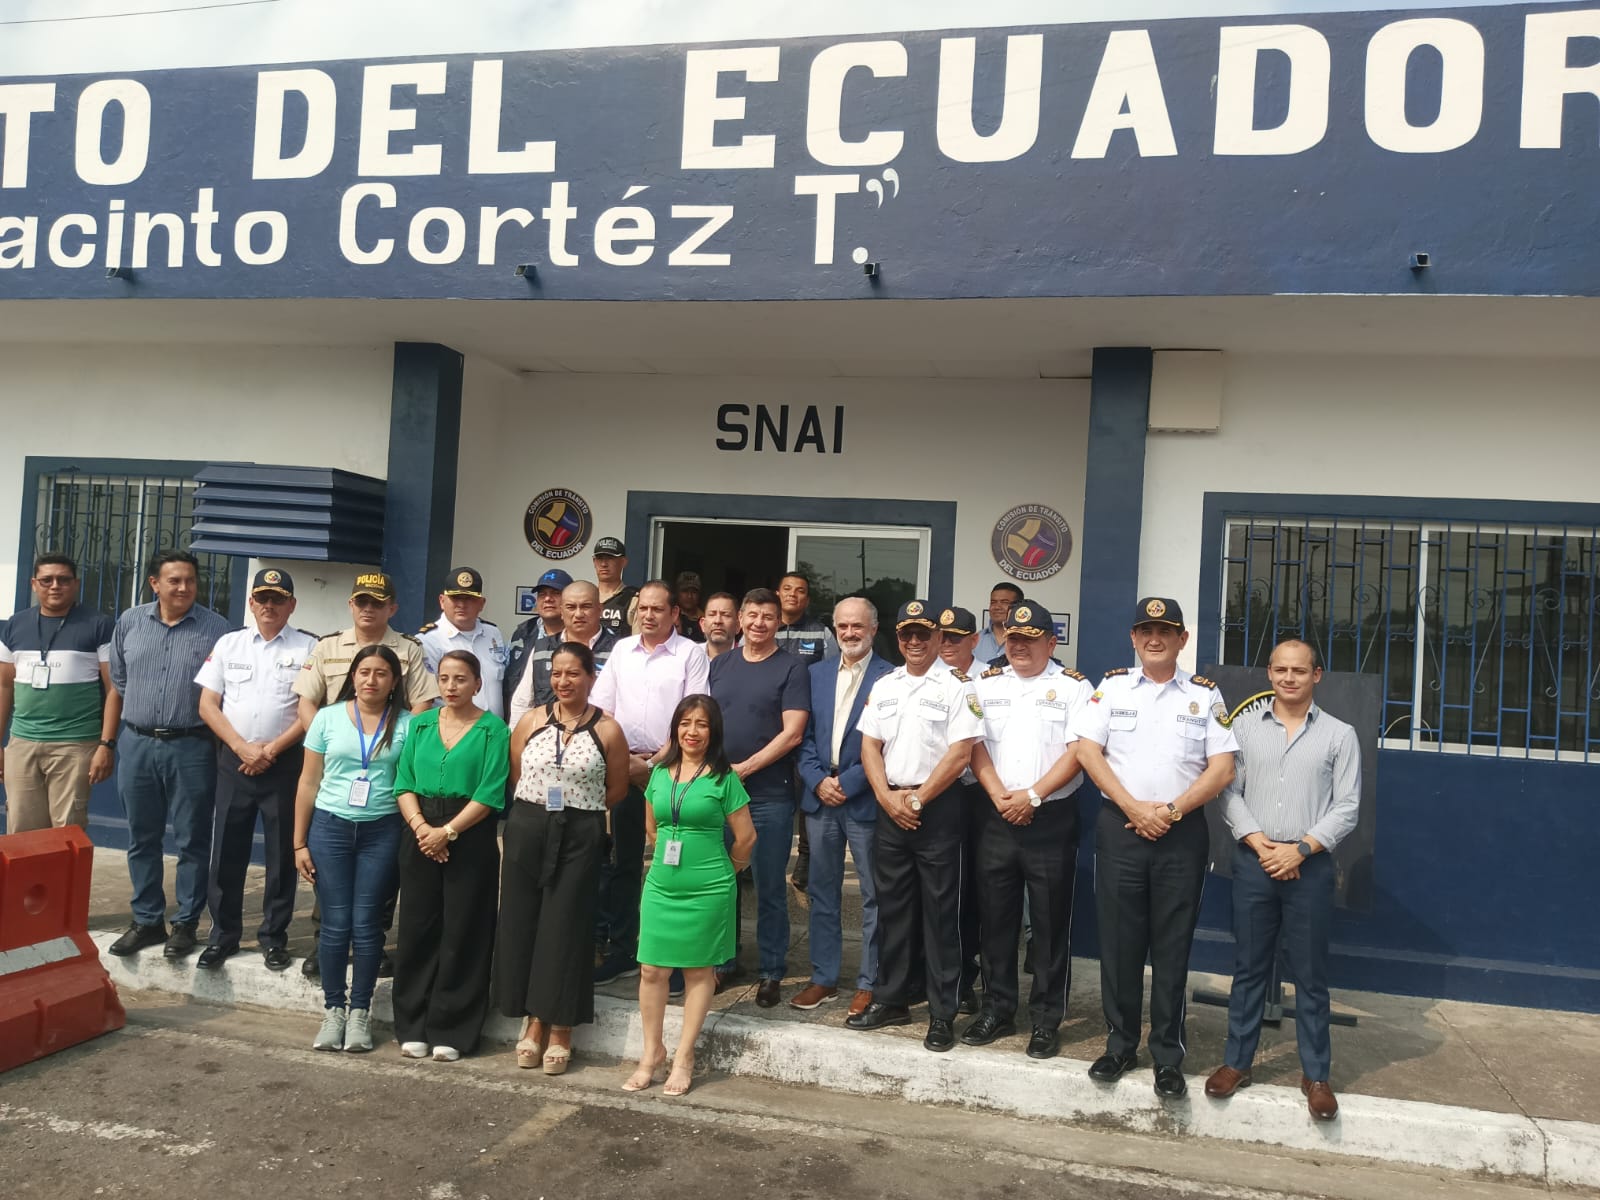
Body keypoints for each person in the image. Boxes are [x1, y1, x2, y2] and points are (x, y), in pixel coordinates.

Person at [1072, 597, 1238, 1098]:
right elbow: (1087, 751)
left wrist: (1169, 812)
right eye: (1145, 630)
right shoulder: (1112, 687)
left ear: (1182, 639)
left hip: (1180, 835)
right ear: (1133, 637)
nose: (1154, 638)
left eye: (1165, 631)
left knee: (1172, 946)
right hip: (1120, 828)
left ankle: (1168, 1054)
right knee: (1119, 943)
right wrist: (1133, 808)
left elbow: (1222, 769)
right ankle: (1120, 1045)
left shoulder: (1205, 695)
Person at [1205, 639, 1360, 1122]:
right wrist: (1261, 844)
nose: (1289, 678)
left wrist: (1301, 849)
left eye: (1299, 670)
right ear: (1269, 674)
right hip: (1255, 861)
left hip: (1309, 865)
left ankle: (1316, 1075)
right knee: (1249, 967)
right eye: (1281, 670)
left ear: (1317, 675)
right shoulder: (1244, 728)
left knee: (1310, 975)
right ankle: (1238, 1063)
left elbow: (1347, 806)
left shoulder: (1339, 735)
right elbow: (1228, 791)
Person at [846, 600, 983, 1052]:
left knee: (942, 914)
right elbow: (870, 746)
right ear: (898, 638)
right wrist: (887, 797)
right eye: (907, 634)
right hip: (892, 807)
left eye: (924, 633)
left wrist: (920, 798)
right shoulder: (885, 684)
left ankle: (942, 1012)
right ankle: (892, 999)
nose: (915, 641)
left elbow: (961, 753)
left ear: (940, 638)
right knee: (893, 909)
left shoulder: (958, 686)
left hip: (938, 808)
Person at [964, 602, 1094, 1060]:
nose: (1019, 646)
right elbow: (973, 745)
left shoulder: (1074, 687)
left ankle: (1046, 1019)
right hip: (996, 813)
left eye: (1030, 639)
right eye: (1013, 638)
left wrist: (1033, 796)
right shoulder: (985, 684)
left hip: (1050, 819)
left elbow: (1079, 752)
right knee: (995, 919)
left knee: (1050, 923)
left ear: (1051, 642)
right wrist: (1001, 795)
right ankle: (997, 1009)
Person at [294, 571, 439, 980]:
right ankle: (326, 943)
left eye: (377, 603)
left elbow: (423, 704)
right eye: (362, 601)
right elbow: (307, 701)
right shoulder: (326, 646)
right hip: (336, 764)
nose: (368, 609)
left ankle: (370, 943)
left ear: (392, 607)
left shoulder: (409, 649)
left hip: (387, 768)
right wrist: (329, 740)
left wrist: (395, 743)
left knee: (381, 876)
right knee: (330, 867)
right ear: (351, 605)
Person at [496, 642, 630, 1074]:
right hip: (529, 827)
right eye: (556, 673)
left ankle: (561, 1027)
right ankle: (533, 1019)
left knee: (566, 926)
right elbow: (517, 773)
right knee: (525, 922)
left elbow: (617, 788)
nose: (563, 681)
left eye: (573, 673)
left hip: (580, 831)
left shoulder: (608, 729)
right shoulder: (531, 721)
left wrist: (577, 811)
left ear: (591, 676)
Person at [625, 695, 757, 1096]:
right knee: (652, 969)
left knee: (699, 971)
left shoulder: (724, 778)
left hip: (709, 888)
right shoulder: (658, 775)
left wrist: (725, 872)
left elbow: (746, 838)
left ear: (713, 731)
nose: (692, 732)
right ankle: (652, 1052)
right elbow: (652, 829)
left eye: (701, 724)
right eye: (685, 723)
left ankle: (684, 1056)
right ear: (675, 729)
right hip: (662, 886)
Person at [106, 549, 232, 960]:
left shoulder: (217, 629)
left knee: (193, 838)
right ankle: (146, 920)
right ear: (154, 584)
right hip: (138, 743)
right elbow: (120, 680)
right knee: (142, 837)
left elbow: (224, 691)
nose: (183, 588)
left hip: (192, 746)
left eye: (190, 580)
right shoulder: (129, 622)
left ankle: (185, 924)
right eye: (174, 580)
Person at [193, 568, 317, 971]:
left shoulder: (308, 647)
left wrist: (272, 749)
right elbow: (208, 704)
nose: (269, 605)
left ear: (292, 605)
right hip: (235, 761)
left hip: (284, 763)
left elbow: (312, 710)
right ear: (251, 603)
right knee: (227, 852)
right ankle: (223, 936)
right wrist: (241, 747)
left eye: (278, 599)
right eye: (262, 598)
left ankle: (273, 938)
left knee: (282, 855)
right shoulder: (229, 644)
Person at [293, 644, 413, 1053]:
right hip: (331, 829)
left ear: (394, 681)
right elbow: (308, 782)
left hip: (382, 831)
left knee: (367, 924)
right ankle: (334, 1011)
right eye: (364, 672)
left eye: (381, 673)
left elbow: (408, 782)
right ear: (353, 676)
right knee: (335, 923)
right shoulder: (326, 718)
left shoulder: (408, 724)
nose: (371, 680)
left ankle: (360, 1011)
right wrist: (299, 843)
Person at [390, 650, 510, 1060]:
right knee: (418, 927)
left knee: (465, 929)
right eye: (444, 678)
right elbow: (404, 781)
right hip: (420, 828)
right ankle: (412, 1023)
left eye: (460, 679)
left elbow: (490, 791)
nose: (451, 686)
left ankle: (454, 1029)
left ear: (478, 684)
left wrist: (448, 832)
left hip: (469, 831)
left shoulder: (494, 730)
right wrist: (423, 829)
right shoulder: (420, 724)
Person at [589, 580, 710, 985]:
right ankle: (623, 949)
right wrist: (623, 761)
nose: (648, 615)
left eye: (657, 609)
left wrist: (655, 762)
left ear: (674, 613)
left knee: (672, 863)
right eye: (643, 608)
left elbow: (694, 716)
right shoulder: (622, 650)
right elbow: (601, 710)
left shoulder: (691, 653)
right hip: (623, 766)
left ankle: (674, 958)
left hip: (673, 769)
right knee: (623, 862)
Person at [707, 588, 809, 1006]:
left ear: (778, 622)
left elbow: (793, 733)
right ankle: (723, 961)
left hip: (769, 795)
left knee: (768, 886)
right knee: (722, 883)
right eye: (751, 615)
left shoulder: (792, 667)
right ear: (740, 620)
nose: (758, 624)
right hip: (719, 793)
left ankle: (771, 970)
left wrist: (745, 769)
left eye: (768, 617)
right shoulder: (720, 664)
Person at [792, 597, 892, 1018]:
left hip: (864, 797)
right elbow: (801, 736)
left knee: (873, 895)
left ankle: (869, 982)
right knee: (822, 891)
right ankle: (824, 977)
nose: (850, 633)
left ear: (873, 629)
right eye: (843, 626)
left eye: (858, 626)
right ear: (834, 629)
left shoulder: (891, 677)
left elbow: (889, 744)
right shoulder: (814, 673)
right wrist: (817, 780)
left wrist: (847, 784)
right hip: (820, 797)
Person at [0, 553, 119, 834]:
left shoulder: (98, 625)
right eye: (47, 580)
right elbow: (4, 686)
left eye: (63, 580)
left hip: (74, 745)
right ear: (34, 584)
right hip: (22, 743)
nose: (55, 586)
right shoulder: (15, 625)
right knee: (22, 831)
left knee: (66, 832)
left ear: (75, 584)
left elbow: (114, 688)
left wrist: (107, 744)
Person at [936, 605, 987, 1013]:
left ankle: (966, 977)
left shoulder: (992, 680)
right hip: (935, 796)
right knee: (938, 892)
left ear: (974, 639)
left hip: (979, 797)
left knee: (972, 891)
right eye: (943, 637)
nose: (947, 644)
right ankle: (928, 974)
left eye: (956, 638)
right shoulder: (926, 675)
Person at [774, 572, 837, 898]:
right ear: (778, 594)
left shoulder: (821, 633)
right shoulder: (764, 626)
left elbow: (834, 676)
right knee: (769, 798)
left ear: (807, 599)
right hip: (768, 729)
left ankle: (805, 859)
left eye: (800, 591)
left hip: (807, 729)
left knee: (807, 795)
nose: (793, 595)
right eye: (787, 589)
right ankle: (755, 858)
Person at [508, 580, 618, 727]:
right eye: (571, 607)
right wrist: (517, 737)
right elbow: (522, 703)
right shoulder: (541, 648)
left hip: (600, 736)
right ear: (561, 611)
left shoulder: (618, 650)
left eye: (586, 606)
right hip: (547, 736)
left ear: (600, 609)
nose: (578, 614)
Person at [418, 566, 508, 719]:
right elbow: (424, 700)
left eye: (469, 599)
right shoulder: (428, 640)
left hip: (495, 729)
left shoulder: (493, 633)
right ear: (442, 601)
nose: (461, 604)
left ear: (482, 603)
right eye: (456, 598)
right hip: (452, 729)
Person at [503, 567, 571, 717]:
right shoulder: (522, 633)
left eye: (556, 593)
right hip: (518, 722)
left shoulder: (576, 635)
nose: (548, 599)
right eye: (542, 594)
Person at [593, 537, 639, 636]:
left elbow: (638, 641)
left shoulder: (634, 599)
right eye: (600, 558)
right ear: (594, 562)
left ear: (623, 562)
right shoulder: (584, 597)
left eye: (610, 558)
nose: (604, 564)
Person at [975, 582, 1024, 666]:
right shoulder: (975, 641)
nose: (997, 607)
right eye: (993, 602)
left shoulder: (1028, 641)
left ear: (1018, 607)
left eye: (1004, 602)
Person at [696, 591, 738, 664]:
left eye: (726, 615)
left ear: (738, 625)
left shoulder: (748, 659)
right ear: (703, 624)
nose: (718, 621)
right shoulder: (690, 655)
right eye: (712, 614)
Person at [674, 571, 706, 643]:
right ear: (677, 592)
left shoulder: (706, 619)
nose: (689, 596)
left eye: (694, 592)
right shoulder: (670, 617)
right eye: (685, 591)